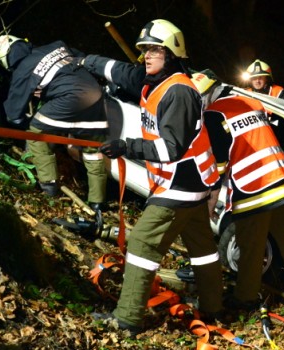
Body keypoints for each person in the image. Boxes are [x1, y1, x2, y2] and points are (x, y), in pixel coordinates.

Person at [80, 19, 224, 335]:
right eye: (145, 49)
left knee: (143, 243)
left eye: (155, 49)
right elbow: (123, 74)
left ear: (172, 52)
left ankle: (128, 318)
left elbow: (170, 147)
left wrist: (125, 146)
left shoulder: (178, 92)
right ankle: (214, 308)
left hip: (180, 185)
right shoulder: (159, 83)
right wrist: (88, 62)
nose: (147, 55)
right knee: (204, 252)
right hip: (192, 184)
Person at [192, 70, 284, 310]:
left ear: (207, 94)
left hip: (253, 188)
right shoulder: (250, 101)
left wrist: (210, 198)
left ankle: (245, 298)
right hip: (280, 181)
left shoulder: (214, 114)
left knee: (250, 247)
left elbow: (218, 164)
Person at [0, 35, 108, 209]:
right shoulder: (57, 45)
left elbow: (13, 115)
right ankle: (97, 202)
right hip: (96, 96)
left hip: (71, 99)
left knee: (35, 134)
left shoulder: (22, 70)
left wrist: (27, 121)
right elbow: (83, 59)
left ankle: (49, 186)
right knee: (92, 149)